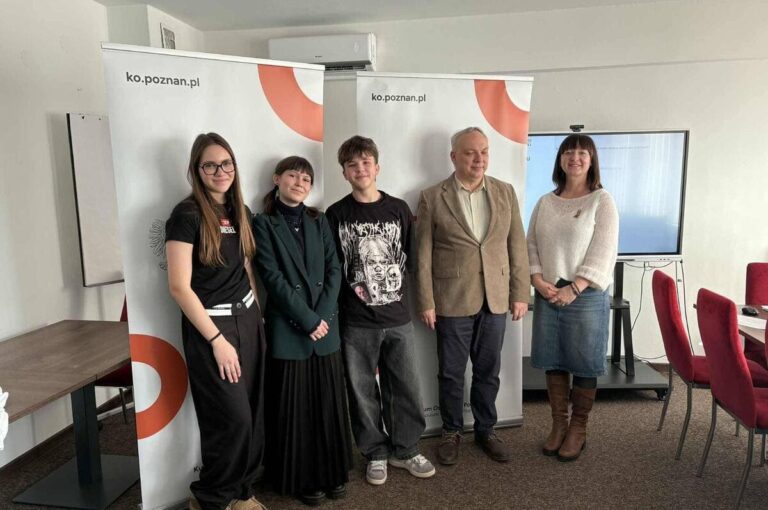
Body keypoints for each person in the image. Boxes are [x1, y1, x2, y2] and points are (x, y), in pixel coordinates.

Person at [415, 127, 530, 466]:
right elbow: (422, 254)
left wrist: (520, 293)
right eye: (470, 152)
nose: (479, 159)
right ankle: (451, 431)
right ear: (454, 156)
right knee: (451, 372)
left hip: (496, 298)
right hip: (451, 298)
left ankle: (486, 430)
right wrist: (426, 300)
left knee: (488, 370)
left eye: (484, 152)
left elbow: (517, 246)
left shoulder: (505, 192)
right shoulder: (432, 196)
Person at [165, 132, 267, 510]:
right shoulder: (187, 215)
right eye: (210, 165)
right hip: (213, 329)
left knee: (253, 415)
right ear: (196, 169)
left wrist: (257, 315)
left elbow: (245, 268)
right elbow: (179, 287)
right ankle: (209, 497)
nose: (220, 171)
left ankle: (242, 493)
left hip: (248, 321)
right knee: (232, 419)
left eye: (226, 163)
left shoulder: (241, 211)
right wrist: (216, 341)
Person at [326, 136, 435, 486]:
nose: (360, 169)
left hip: (398, 318)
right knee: (361, 392)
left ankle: (406, 449)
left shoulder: (398, 209)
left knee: (405, 387)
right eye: (352, 164)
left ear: (377, 167)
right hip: (356, 321)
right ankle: (375, 452)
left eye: (366, 162)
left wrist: (425, 302)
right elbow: (333, 268)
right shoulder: (336, 215)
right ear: (344, 173)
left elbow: (412, 261)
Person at [252, 156, 353, 506]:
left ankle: (332, 473)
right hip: (289, 328)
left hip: (325, 328)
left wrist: (321, 317)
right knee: (295, 410)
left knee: (328, 405)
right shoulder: (263, 223)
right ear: (277, 179)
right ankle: (303, 479)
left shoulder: (319, 220)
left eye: (306, 179)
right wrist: (308, 320)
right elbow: (271, 277)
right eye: (293, 175)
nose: (299, 183)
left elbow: (334, 268)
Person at [527, 133, 619, 462]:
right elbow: (531, 243)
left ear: (592, 161)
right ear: (560, 160)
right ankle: (558, 425)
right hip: (549, 291)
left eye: (582, 153)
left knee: (583, 362)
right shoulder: (545, 202)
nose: (574, 158)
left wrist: (575, 287)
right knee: (553, 360)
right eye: (568, 152)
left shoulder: (601, 201)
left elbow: (604, 251)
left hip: (586, 296)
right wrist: (537, 279)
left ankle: (578, 428)